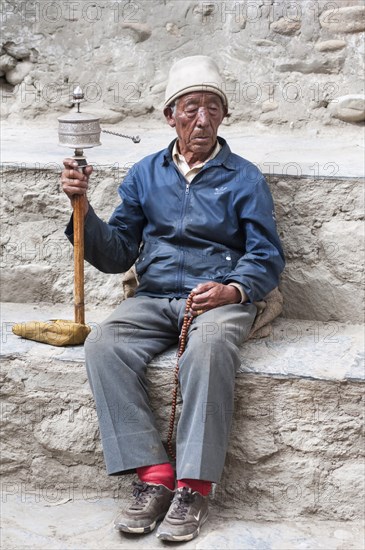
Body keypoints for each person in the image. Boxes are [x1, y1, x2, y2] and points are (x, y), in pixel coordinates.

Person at [61, 55, 285, 542]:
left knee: (208, 347)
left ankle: (193, 486)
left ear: (223, 116)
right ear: (170, 116)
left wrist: (232, 289)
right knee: (104, 344)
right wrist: (83, 209)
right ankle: (154, 476)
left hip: (218, 299)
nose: (201, 119)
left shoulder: (244, 178)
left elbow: (266, 255)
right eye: (190, 108)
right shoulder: (145, 174)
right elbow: (118, 252)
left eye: (211, 109)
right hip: (157, 294)